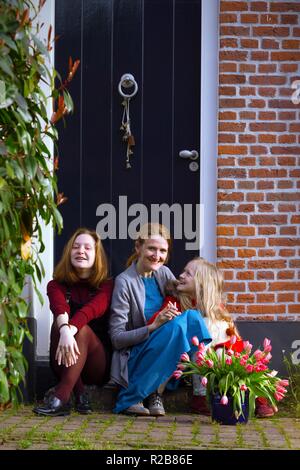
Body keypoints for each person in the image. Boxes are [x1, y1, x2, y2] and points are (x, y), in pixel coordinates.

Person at [109, 223, 211, 416]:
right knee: (182, 322)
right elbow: (116, 338)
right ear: (138, 248)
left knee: (192, 318)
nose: (157, 256)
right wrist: (153, 326)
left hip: (164, 347)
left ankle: (158, 391)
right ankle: (133, 395)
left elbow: (186, 296)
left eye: (163, 250)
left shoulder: (163, 273)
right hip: (135, 353)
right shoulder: (124, 282)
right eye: (152, 249)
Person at [175, 257, 277, 418]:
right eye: (183, 271)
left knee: (213, 346)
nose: (181, 275)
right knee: (202, 348)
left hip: (222, 364)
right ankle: (202, 397)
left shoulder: (216, 315)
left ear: (202, 283)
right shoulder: (183, 306)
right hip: (203, 366)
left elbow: (232, 347)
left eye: (188, 273)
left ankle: (252, 395)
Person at [33, 228, 113, 417]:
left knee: (81, 330)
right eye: (76, 247)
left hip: (96, 365)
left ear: (96, 255)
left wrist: (69, 330)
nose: (81, 251)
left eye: (87, 248)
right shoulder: (56, 285)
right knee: (58, 325)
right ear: (69, 252)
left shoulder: (107, 285)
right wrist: (64, 331)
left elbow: (92, 310)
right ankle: (78, 392)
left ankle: (61, 397)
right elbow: (60, 308)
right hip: (62, 361)